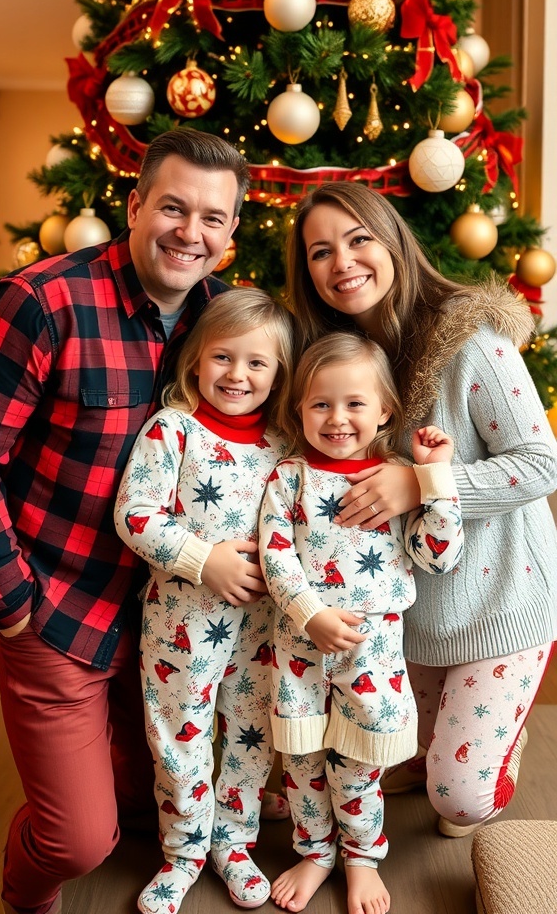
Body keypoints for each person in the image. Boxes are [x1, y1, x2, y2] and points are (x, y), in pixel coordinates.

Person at [0, 127, 251, 914]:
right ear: (134, 207)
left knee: (149, 793)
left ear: (231, 234)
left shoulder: (220, 323)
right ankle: (21, 896)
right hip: (58, 605)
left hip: (170, 610)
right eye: (172, 207)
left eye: (211, 218)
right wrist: (13, 602)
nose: (188, 233)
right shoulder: (40, 303)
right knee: (77, 840)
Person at [286, 181, 557, 843]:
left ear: (394, 243)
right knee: (388, 753)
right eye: (320, 252)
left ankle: (497, 754)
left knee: (457, 800)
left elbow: (543, 463)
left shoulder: (473, 342)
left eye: (358, 240)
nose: (341, 262)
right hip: (410, 618)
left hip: (502, 602)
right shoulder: (340, 366)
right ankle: (445, 741)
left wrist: (422, 485)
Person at [259, 332, 464, 914]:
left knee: (359, 760)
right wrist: (310, 613)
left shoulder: (399, 478)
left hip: (373, 649)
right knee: (300, 759)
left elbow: (438, 555)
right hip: (299, 640)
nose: (337, 418)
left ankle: (360, 857)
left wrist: (436, 479)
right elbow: (275, 554)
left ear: (385, 411)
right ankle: (315, 850)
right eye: (320, 403)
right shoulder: (290, 477)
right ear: (298, 409)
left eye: (354, 403)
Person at [114, 287, 294, 914]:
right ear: (195, 360)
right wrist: (202, 558)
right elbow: (135, 514)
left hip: (264, 628)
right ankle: (185, 850)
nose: (237, 375)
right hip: (181, 625)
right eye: (223, 358)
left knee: (250, 733)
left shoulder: (284, 447)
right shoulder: (173, 431)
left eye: (256, 363)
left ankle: (234, 841)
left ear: (278, 374)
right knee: (177, 735)